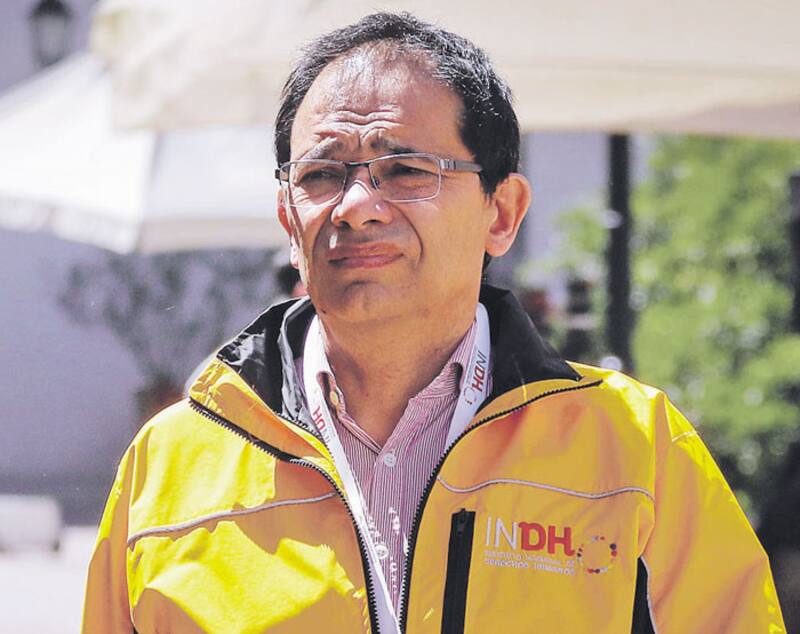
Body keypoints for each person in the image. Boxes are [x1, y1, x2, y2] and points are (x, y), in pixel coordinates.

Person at [82, 12, 785, 633]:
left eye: (406, 169)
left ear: (501, 213)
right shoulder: (169, 467)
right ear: (289, 224)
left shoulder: (635, 450)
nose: (356, 206)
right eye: (322, 175)